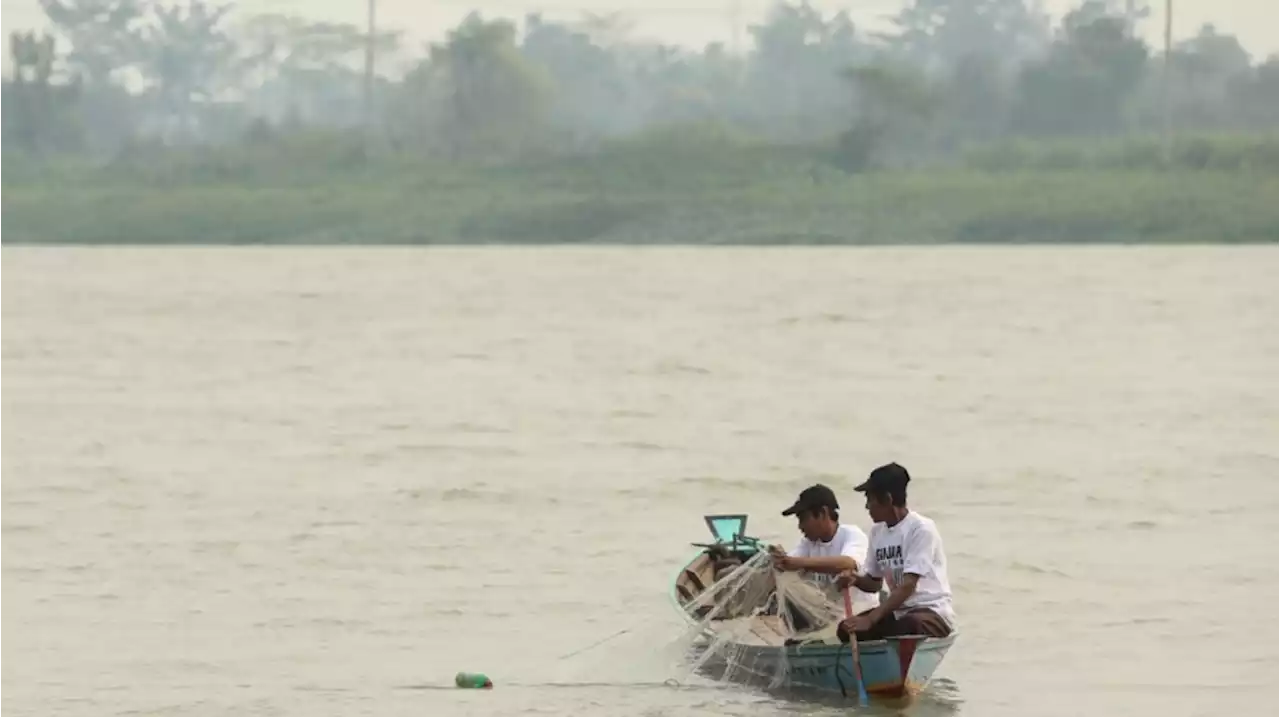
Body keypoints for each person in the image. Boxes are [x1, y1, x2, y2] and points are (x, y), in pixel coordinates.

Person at [837, 463, 955, 643]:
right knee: (846, 629)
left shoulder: (921, 529)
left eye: (870, 499)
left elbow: (908, 586)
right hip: (899, 612)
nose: (867, 506)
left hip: (930, 612)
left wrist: (870, 619)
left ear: (888, 499)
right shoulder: (877, 532)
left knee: (905, 627)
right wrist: (855, 579)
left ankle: (899, 666)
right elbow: (874, 583)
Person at [769, 484, 880, 625]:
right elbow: (790, 562)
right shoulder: (809, 542)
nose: (800, 527)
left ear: (822, 513)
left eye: (803, 519)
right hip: (828, 616)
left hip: (859, 615)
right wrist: (780, 559)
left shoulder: (851, 534)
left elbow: (847, 563)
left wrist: (798, 563)